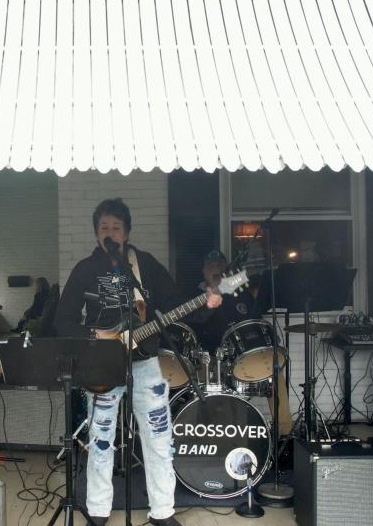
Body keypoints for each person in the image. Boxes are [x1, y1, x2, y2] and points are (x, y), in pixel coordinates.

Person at [55, 198, 221, 526]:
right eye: (104, 227)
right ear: (96, 234)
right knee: (101, 440)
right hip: (102, 362)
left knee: (158, 439)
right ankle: (99, 511)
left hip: (145, 363)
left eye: (116, 227)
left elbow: (176, 304)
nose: (110, 232)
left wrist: (206, 302)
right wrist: (95, 336)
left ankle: (162, 512)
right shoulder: (85, 269)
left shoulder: (143, 264)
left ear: (126, 233)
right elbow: (62, 319)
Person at [196, 250, 292, 436]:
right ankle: (229, 439)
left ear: (226, 270)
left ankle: (285, 435)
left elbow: (255, 320)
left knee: (275, 371)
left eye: (219, 265)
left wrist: (270, 338)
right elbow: (195, 325)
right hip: (216, 360)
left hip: (244, 355)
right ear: (203, 272)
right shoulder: (196, 296)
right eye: (211, 266)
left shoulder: (239, 292)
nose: (215, 268)